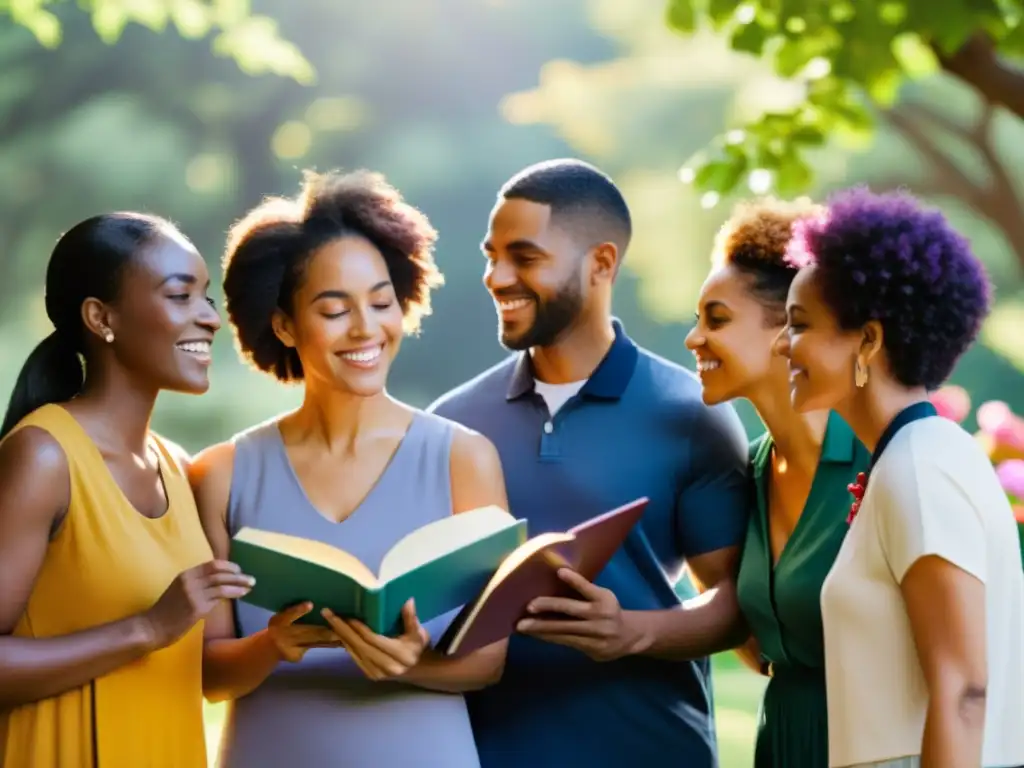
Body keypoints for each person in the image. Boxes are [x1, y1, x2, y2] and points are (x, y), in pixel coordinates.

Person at [428, 158, 750, 768]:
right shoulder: (452, 421)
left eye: (524, 257)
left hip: (651, 751)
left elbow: (734, 603)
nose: (497, 277)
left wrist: (632, 630)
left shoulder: (690, 413)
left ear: (602, 264)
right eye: (490, 255)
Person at [189, 169, 509, 768]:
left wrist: (417, 664)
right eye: (334, 310)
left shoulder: (464, 459)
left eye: (382, 302)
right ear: (285, 325)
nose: (367, 328)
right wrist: (272, 645)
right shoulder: (220, 475)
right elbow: (210, 674)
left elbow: (489, 663)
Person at [779, 187, 1024, 768]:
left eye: (799, 324)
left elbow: (964, 692)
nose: (782, 345)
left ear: (868, 338)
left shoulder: (919, 467)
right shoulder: (918, 454)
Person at [0, 213, 252, 767]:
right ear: (100, 317)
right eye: (181, 296)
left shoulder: (179, 468)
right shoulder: (44, 456)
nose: (210, 319)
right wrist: (146, 628)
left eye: (206, 297)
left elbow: (208, 676)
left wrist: (282, 639)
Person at [685, 198, 870, 767]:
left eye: (716, 320)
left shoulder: (877, 458)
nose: (694, 339)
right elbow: (763, 645)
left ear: (786, 327)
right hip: (783, 743)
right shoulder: (751, 471)